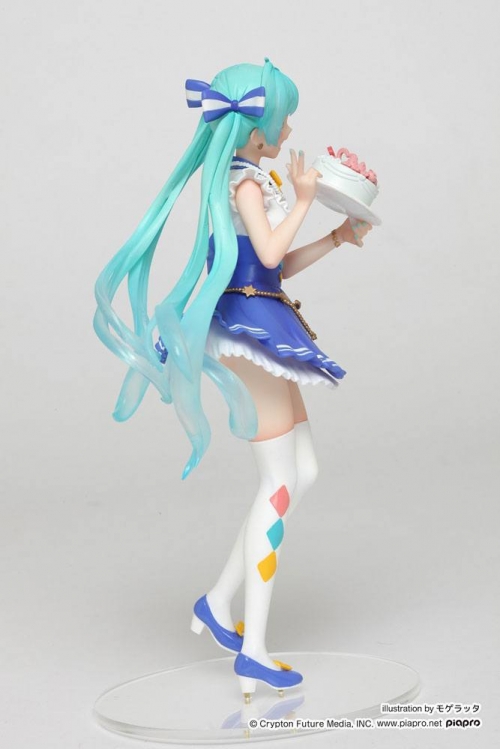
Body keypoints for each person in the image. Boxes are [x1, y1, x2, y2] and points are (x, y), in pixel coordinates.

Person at [94, 59, 372, 701]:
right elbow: (269, 253)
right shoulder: (243, 183)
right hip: (249, 332)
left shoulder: (255, 180)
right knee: (280, 483)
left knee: (304, 471)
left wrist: (336, 236)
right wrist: (305, 199)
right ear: (254, 128)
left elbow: (275, 267)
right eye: (283, 119)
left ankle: (219, 601)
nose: (289, 129)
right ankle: (253, 651)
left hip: (266, 317)